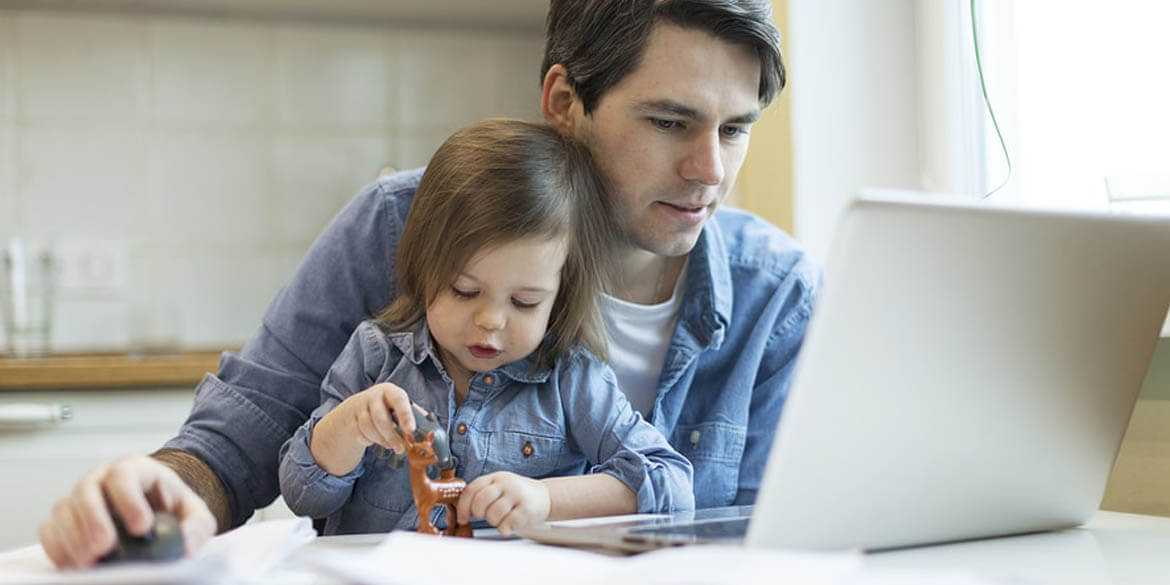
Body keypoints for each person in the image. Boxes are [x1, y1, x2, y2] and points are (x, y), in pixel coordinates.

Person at [40, 0, 818, 568]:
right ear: (563, 105)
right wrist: (156, 489)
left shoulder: (777, 296)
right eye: (668, 122)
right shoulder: (404, 224)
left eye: (735, 128)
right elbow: (230, 448)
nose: (710, 170)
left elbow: (763, 548)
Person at [278, 119, 693, 535]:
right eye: (463, 291)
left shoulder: (571, 379)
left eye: (524, 302)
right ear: (425, 270)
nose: (491, 320)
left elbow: (671, 485)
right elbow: (304, 495)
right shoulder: (375, 357)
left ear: (560, 293)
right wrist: (349, 427)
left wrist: (547, 499)